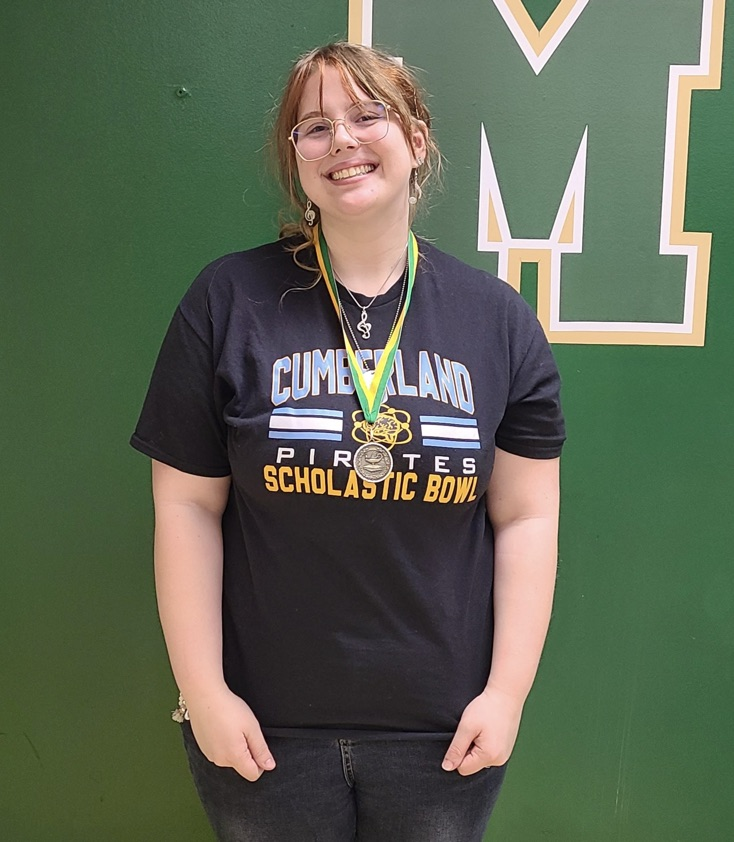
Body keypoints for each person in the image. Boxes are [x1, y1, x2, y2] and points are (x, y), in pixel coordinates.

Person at [131, 41, 565, 842]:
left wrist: (506, 696)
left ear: (417, 139)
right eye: (315, 126)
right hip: (261, 729)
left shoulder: (498, 322)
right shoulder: (227, 300)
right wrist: (204, 690)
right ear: (295, 158)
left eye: (369, 115)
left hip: (443, 733)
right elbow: (186, 506)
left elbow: (527, 517)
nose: (343, 141)